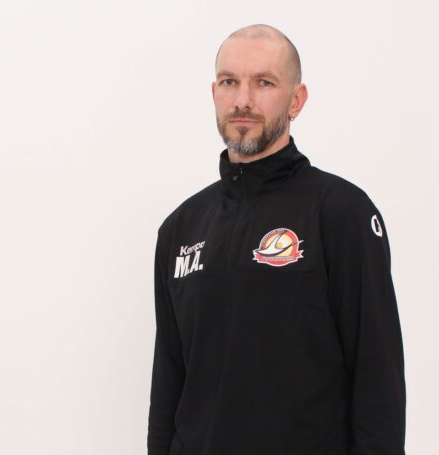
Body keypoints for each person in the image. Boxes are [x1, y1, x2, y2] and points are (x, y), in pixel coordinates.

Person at [147, 24, 406, 455]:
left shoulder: (340, 212)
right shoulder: (180, 229)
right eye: (229, 82)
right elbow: (168, 382)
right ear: (214, 93)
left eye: (264, 83)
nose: (243, 100)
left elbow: (377, 377)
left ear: (296, 100)